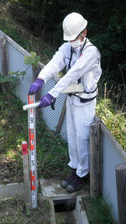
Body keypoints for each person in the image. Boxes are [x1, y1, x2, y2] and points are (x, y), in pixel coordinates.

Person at [28, 12, 102, 193]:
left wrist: (52, 94)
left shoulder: (91, 52)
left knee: (82, 138)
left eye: (74, 37)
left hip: (85, 102)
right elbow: (55, 62)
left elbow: (73, 73)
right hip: (72, 97)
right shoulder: (68, 47)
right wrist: (41, 79)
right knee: (72, 137)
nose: (71, 41)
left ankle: (82, 175)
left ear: (84, 32)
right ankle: (74, 170)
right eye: (69, 38)